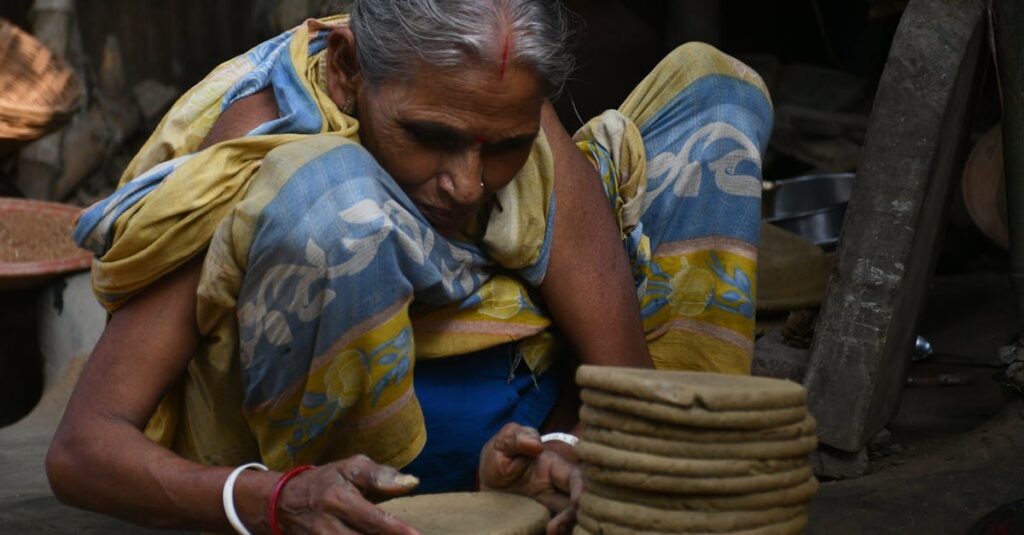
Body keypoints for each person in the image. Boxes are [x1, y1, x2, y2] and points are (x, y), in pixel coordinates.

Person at [46, 1, 773, 534]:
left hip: (499, 446)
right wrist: (273, 498)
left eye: (503, 147)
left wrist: (557, 448)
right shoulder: (260, 138)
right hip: (303, 480)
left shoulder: (506, 109)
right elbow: (84, 449)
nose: (466, 182)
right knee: (330, 203)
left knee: (715, 96)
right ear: (347, 70)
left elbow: (626, 384)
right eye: (431, 137)